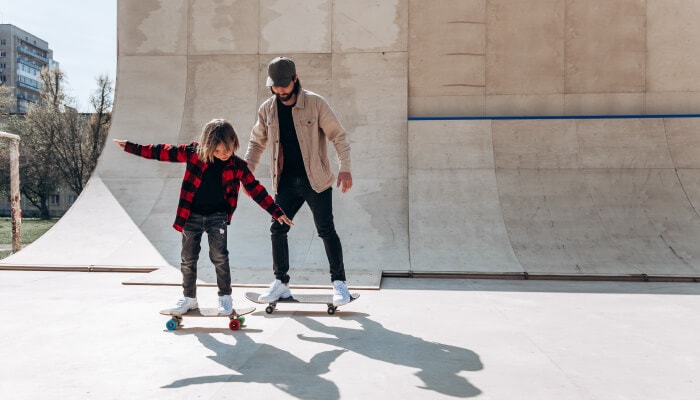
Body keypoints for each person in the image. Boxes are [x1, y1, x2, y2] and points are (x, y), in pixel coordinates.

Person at [114, 118, 293, 315]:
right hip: (191, 216)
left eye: (227, 150)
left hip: (218, 217)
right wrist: (131, 147)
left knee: (219, 256)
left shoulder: (237, 165)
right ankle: (189, 298)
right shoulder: (193, 154)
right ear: (208, 146)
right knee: (188, 258)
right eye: (217, 151)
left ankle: (225, 297)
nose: (223, 155)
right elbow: (163, 152)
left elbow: (256, 190)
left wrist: (276, 212)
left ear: (234, 142)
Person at [245, 56, 353, 306]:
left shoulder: (315, 104)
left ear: (295, 79)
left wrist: (344, 168)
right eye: (275, 86)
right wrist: (246, 174)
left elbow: (338, 136)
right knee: (277, 228)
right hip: (285, 182)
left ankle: (339, 284)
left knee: (326, 230)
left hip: (315, 180)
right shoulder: (267, 109)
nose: (280, 90)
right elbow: (256, 142)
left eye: (284, 84)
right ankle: (281, 283)